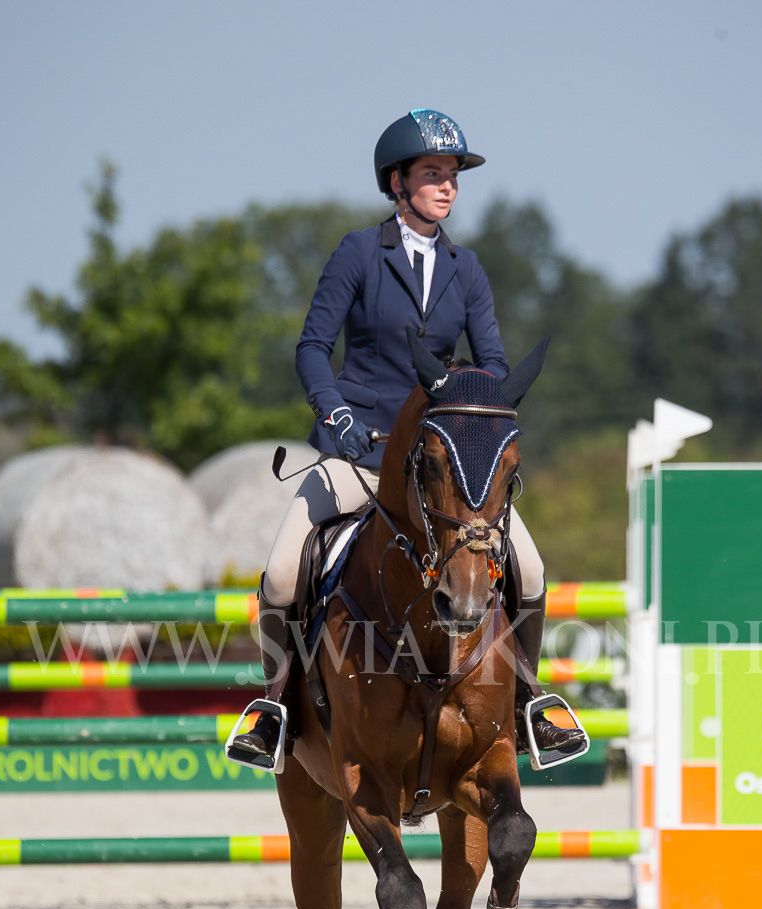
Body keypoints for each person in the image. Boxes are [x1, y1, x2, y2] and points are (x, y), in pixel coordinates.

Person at [231, 108, 584, 767]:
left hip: (438, 468)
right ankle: (274, 707)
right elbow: (312, 348)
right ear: (397, 182)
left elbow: (493, 365)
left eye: (453, 175)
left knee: (530, 571)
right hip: (358, 451)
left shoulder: (465, 269)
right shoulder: (359, 253)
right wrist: (335, 413)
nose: (447, 186)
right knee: (281, 574)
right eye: (432, 174)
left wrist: (475, 418)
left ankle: (529, 703)